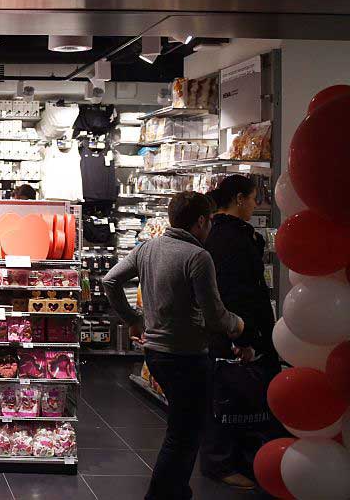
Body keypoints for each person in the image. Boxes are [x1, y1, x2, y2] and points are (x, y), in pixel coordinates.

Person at [102, 191, 253, 500]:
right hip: (186, 356)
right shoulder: (198, 257)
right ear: (200, 221)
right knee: (184, 436)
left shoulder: (147, 248)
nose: (211, 227)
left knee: (181, 429)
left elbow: (110, 281)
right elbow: (215, 316)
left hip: (155, 353)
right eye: (210, 220)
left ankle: (177, 492)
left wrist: (133, 319)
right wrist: (240, 328)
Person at [201, 175, 280, 489]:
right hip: (237, 328)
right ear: (237, 199)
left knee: (226, 394)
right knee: (233, 394)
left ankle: (228, 458)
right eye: (251, 197)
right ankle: (223, 462)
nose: (255, 204)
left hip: (224, 327)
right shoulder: (235, 237)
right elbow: (240, 290)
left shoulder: (213, 232)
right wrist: (244, 336)